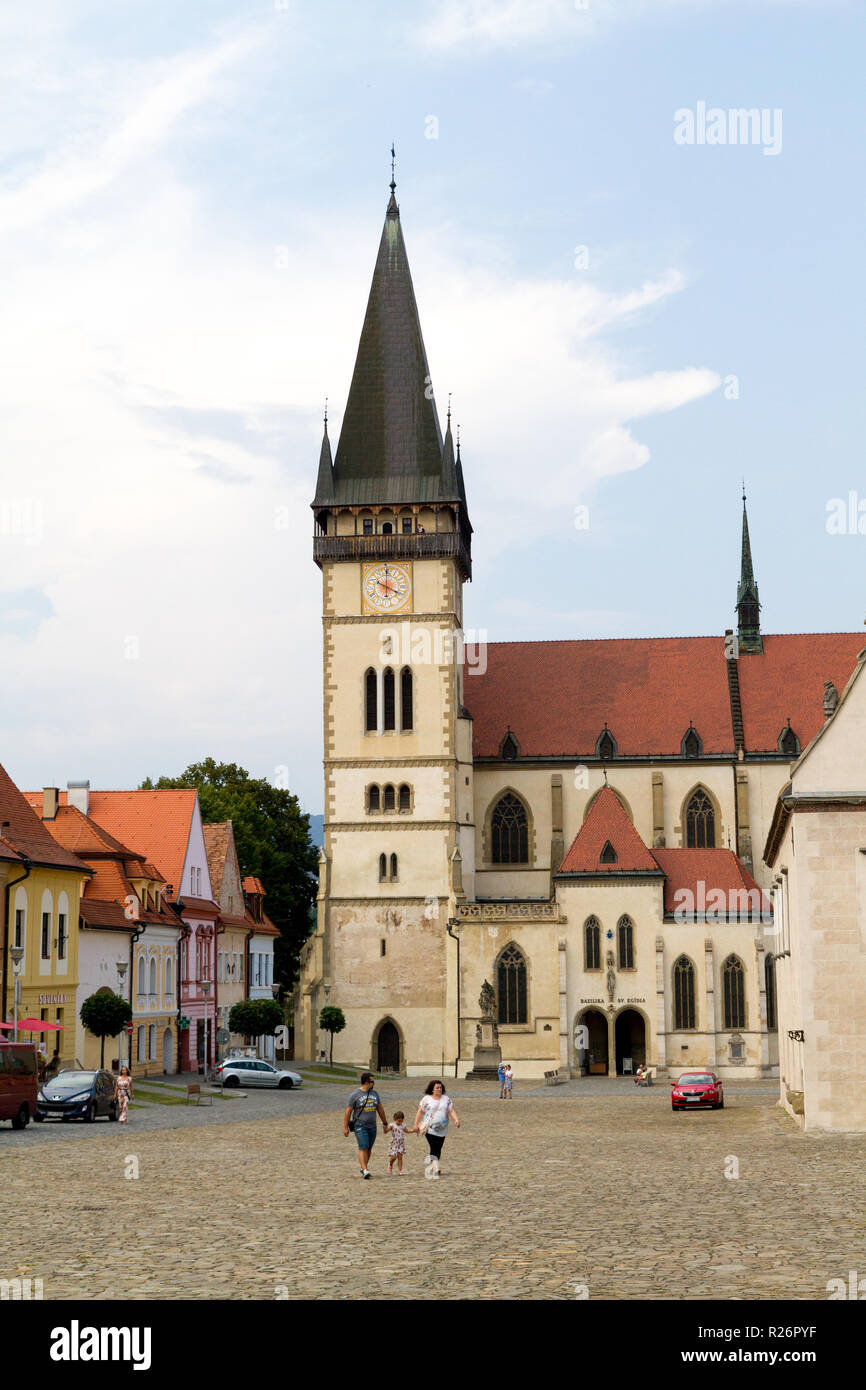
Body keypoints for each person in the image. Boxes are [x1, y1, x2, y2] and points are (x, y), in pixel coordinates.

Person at [344, 1072, 390, 1178]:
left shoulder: (375, 1094)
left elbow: (380, 1108)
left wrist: (384, 1123)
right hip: (360, 1125)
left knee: (369, 1149)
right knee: (363, 1147)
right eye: (372, 1082)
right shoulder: (355, 1095)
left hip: (372, 1126)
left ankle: (363, 1167)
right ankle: (365, 1170)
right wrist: (345, 1127)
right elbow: (348, 1111)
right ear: (366, 1082)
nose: (374, 1084)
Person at [414, 1079, 460, 1179]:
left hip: (442, 1129)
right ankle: (436, 1168)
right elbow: (420, 1112)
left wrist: (456, 1119)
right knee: (434, 1146)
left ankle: (434, 1162)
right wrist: (416, 1124)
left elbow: (451, 1110)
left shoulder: (446, 1099)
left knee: (438, 1148)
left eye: (440, 1087)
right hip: (429, 1128)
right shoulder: (426, 1099)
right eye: (437, 1088)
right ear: (432, 1089)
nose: (439, 1089)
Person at [386, 1110, 416, 1175]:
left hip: (401, 1144)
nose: (400, 1122)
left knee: (400, 1157)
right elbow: (386, 1130)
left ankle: (400, 1171)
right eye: (398, 1121)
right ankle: (390, 1164)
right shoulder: (392, 1125)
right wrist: (385, 1127)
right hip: (394, 1143)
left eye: (401, 1121)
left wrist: (414, 1130)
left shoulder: (403, 1126)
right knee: (393, 1157)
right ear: (395, 1119)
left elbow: (407, 1131)